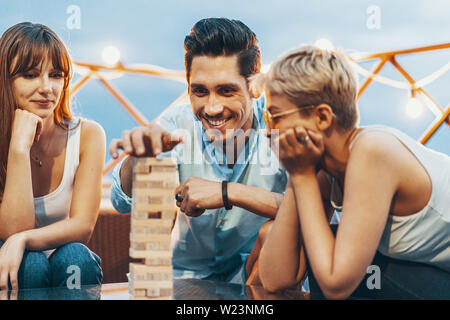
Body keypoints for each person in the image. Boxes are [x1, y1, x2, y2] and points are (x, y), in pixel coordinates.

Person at [251, 45, 450, 299]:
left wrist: (301, 176)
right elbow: (276, 278)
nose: (268, 131)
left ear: (322, 118)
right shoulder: (325, 169)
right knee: (326, 245)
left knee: (337, 258)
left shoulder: (372, 151)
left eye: (275, 117)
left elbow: (336, 285)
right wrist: (298, 176)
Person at [109, 18, 287, 284]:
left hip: (259, 280)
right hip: (183, 282)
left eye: (227, 91)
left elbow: (310, 214)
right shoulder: (176, 126)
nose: (212, 108)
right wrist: (138, 159)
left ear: (255, 88)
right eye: (200, 91)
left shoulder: (280, 132)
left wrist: (227, 192)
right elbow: (120, 202)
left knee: (277, 233)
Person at [0, 22, 105, 291]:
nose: (47, 87)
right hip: (8, 263)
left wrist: (22, 240)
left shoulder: (89, 135)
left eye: (56, 75)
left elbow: (82, 226)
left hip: (65, 263)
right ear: (5, 79)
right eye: (31, 75)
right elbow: (11, 229)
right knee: (31, 264)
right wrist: (19, 148)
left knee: (76, 256)